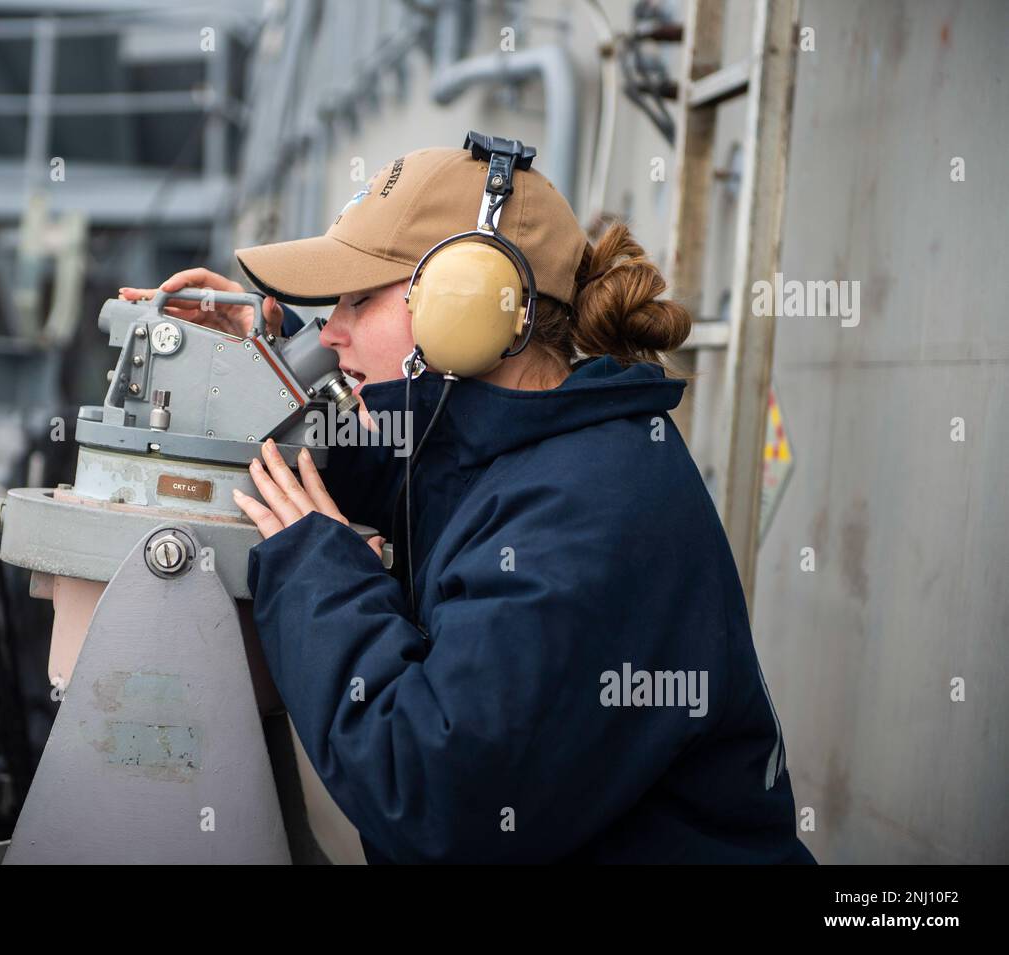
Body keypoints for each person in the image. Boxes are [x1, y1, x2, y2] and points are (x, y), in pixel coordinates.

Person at [120, 144, 814, 864]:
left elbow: (433, 791)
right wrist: (265, 365)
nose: (330, 331)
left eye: (358, 298)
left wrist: (315, 573)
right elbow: (412, 474)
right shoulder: (518, 448)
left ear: (468, 299)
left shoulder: (590, 513)